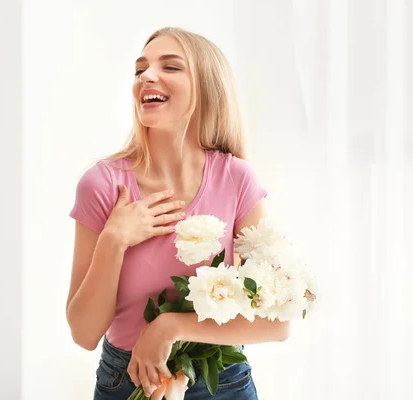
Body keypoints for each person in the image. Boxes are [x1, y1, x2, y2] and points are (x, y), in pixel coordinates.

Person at [66, 27, 290, 399]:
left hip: (225, 382)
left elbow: (276, 321)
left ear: (206, 87)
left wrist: (170, 327)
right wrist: (113, 240)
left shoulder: (236, 179)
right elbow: (84, 333)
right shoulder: (103, 184)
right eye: (141, 70)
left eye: (170, 66)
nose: (147, 76)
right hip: (129, 381)